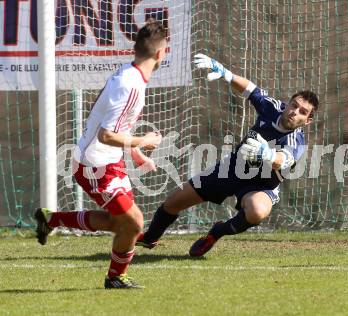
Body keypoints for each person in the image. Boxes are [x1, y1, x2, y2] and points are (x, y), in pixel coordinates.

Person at [136, 53, 319, 257]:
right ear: (288, 103)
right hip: (232, 169)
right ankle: (150, 238)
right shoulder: (272, 108)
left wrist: (267, 154)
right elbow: (250, 89)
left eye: (303, 112)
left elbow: (282, 161)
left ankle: (216, 233)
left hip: (261, 185)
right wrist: (225, 73)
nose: (295, 112)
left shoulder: (296, 140)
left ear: (307, 121)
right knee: (173, 202)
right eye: (294, 105)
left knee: (257, 212)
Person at [34, 19, 167, 289]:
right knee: (133, 224)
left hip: (109, 160)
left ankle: (52, 219)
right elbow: (106, 134)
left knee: (123, 225)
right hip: (94, 165)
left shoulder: (131, 76)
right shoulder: (130, 85)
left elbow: (118, 126)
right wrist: (144, 141)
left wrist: (135, 154)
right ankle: (115, 278)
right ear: (160, 53)